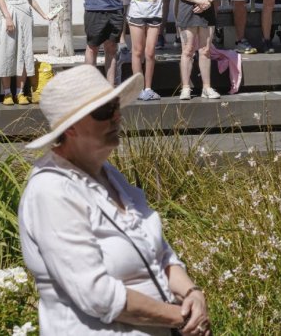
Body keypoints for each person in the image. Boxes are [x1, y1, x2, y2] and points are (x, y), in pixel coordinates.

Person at [18, 65, 210, 335]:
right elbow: (97, 295)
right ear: (70, 127)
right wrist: (181, 318)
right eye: (104, 111)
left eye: (116, 106)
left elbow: (159, 253)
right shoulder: (51, 191)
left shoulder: (110, 175)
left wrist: (192, 294)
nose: (117, 117)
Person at [173, 0, 220, 100]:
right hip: (189, 5)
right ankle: (185, 87)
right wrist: (199, 1)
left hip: (206, 4)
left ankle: (207, 87)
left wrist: (208, 1)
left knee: (205, 50)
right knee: (187, 50)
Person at [127, 0, 170, 101]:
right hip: (137, 11)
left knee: (150, 52)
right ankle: (138, 88)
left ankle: (148, 87)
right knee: (137, 51)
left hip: (154, 11)